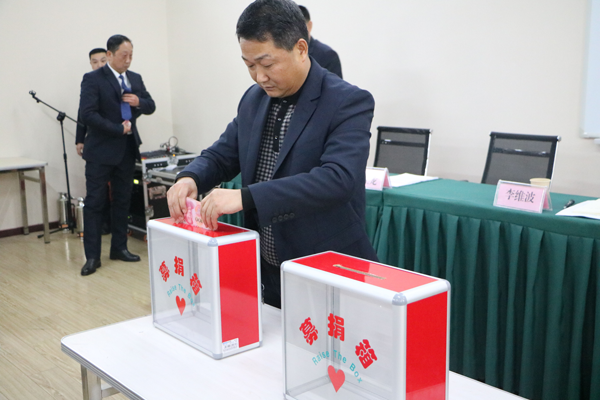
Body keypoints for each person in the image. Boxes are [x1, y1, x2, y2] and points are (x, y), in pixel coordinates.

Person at [167, 0, 376, 308]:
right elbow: (223, 154)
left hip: (326, 268)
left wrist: (247, 197)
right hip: (269, 268)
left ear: (301, 48)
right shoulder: (253, 100)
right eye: (249, 66)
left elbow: (337, 179)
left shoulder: (347, 101)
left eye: (267, 64)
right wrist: (191, 177)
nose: (259, 77)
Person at [79, 34, 156, 276]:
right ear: (110, 55)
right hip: (100, 151)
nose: (128, 60)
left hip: (126, 150)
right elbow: (87, 114)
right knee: (95, 203)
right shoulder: (93, 79)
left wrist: (138, 101)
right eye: (124, 55)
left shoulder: (135, 78)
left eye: (131, 55)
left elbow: (151, 105)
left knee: (123, 200)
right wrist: (116, 129)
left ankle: (119, 248)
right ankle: (92, 257)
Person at [76, 48, 111, 235]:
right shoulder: (89, 81)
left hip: (116, 143)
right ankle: (99, 228)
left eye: (102, 60)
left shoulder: (117, 80)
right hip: (96, 145)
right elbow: (82, 113)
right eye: (95, 61)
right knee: (96, 192)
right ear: (90, 63)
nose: (99, 65)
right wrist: (79, 139)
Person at [298, 5, 343, 79]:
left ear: (309, 26)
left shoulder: (328, 55)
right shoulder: (285, 52)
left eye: (299, 27)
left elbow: (335, 85)